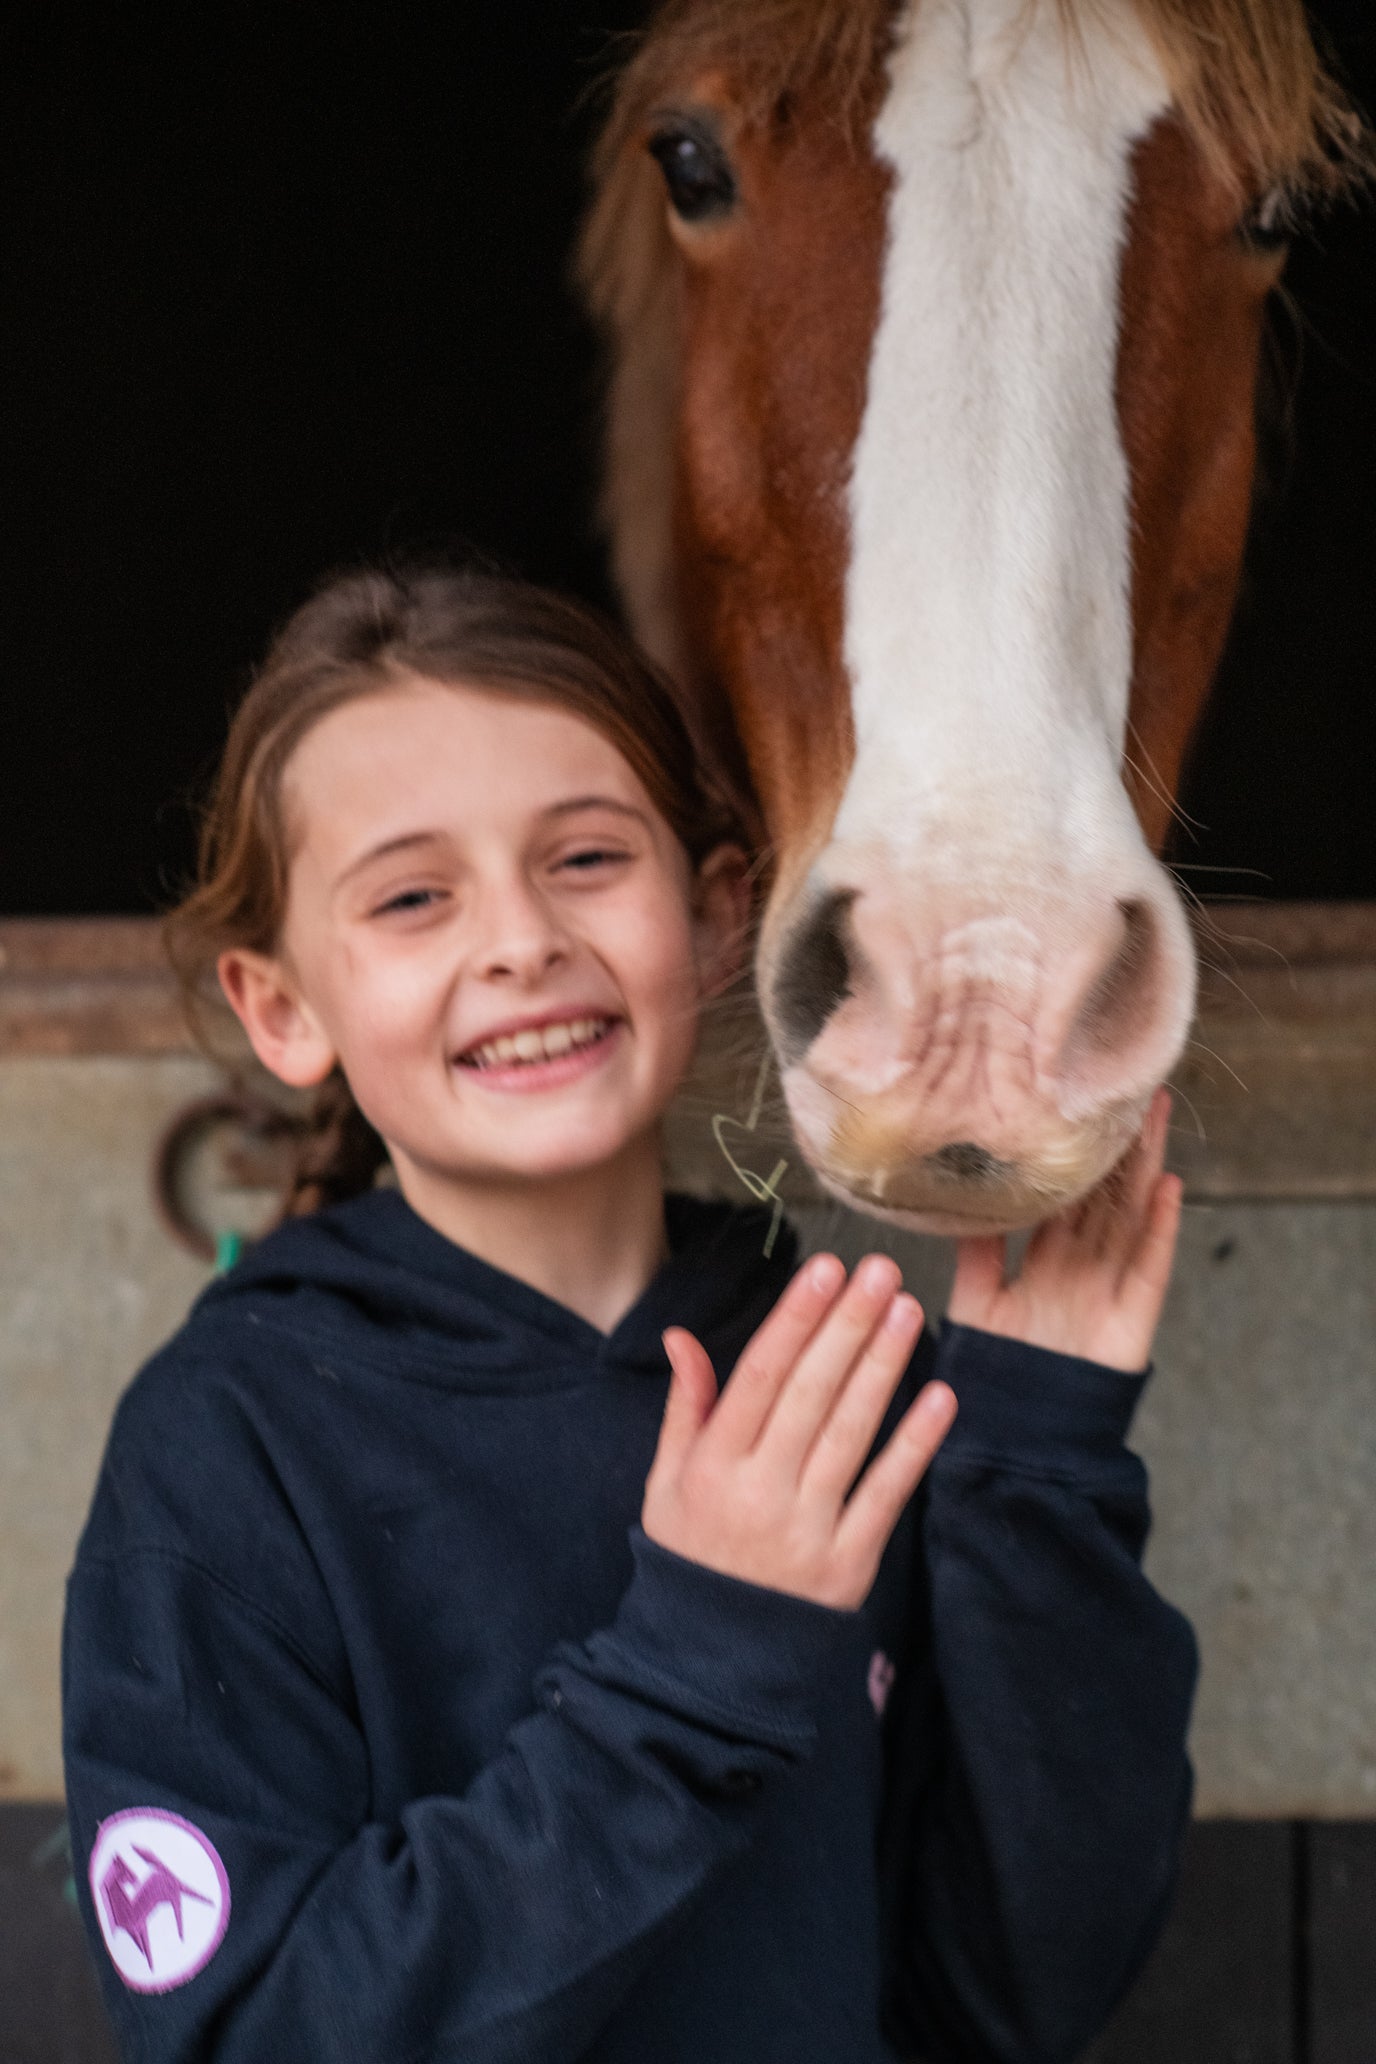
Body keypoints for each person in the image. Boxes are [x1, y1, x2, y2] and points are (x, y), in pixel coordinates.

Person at [62, 562, 1197, 2064]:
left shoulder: (831, 1371)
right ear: (285, 1010)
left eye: (587, 858)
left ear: (720, 919)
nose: (521, 939)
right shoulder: (224, 1446)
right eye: (413, 896)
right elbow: (253, 2035)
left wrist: (1040, 1473)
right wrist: (701, 1666)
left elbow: (1005, 1996)